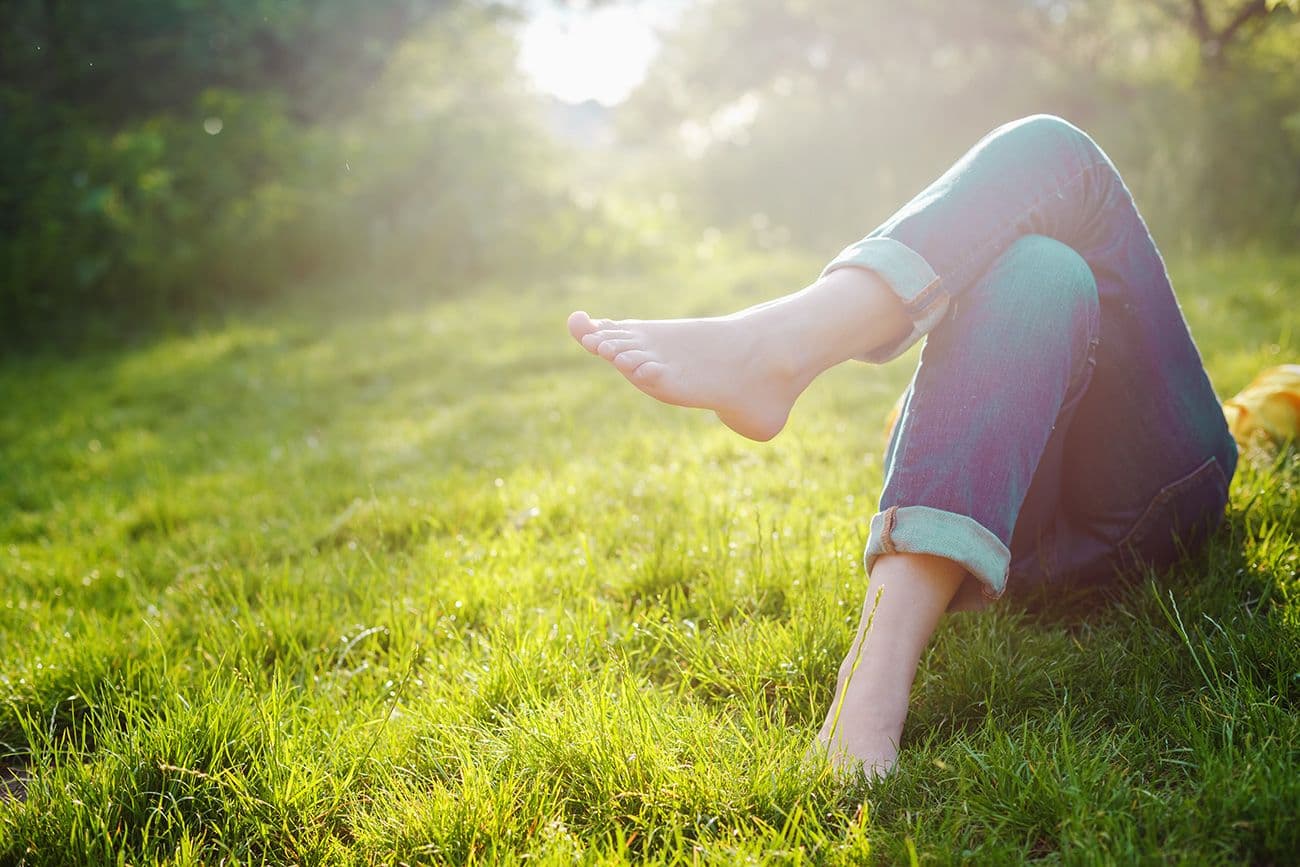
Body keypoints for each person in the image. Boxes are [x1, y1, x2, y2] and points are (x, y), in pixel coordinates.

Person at [565, 115, 1238, 776]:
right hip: (1008, 527)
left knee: (1061, 157)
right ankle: (869, 687)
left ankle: (780, 345)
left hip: (1139, 493)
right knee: (1041, 268)